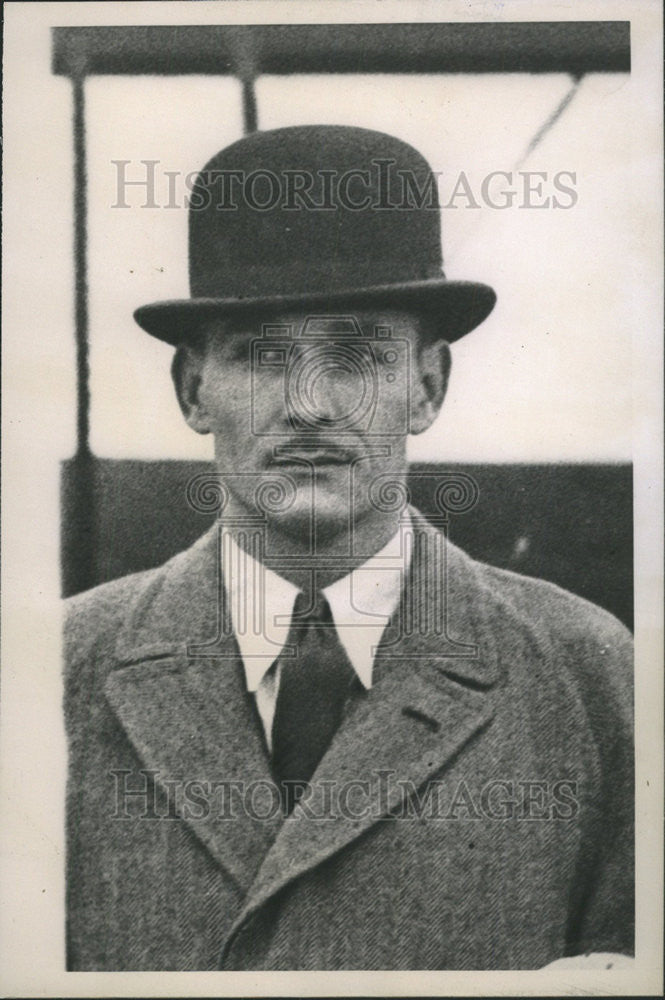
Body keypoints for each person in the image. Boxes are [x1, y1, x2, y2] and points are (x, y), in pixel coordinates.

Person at [64, 125, 633, 971]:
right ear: (193, 389)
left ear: (427, 386)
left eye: (356, 358)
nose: (309, 406)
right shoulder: (48, 671)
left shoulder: (590, 677)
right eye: (261, 357)